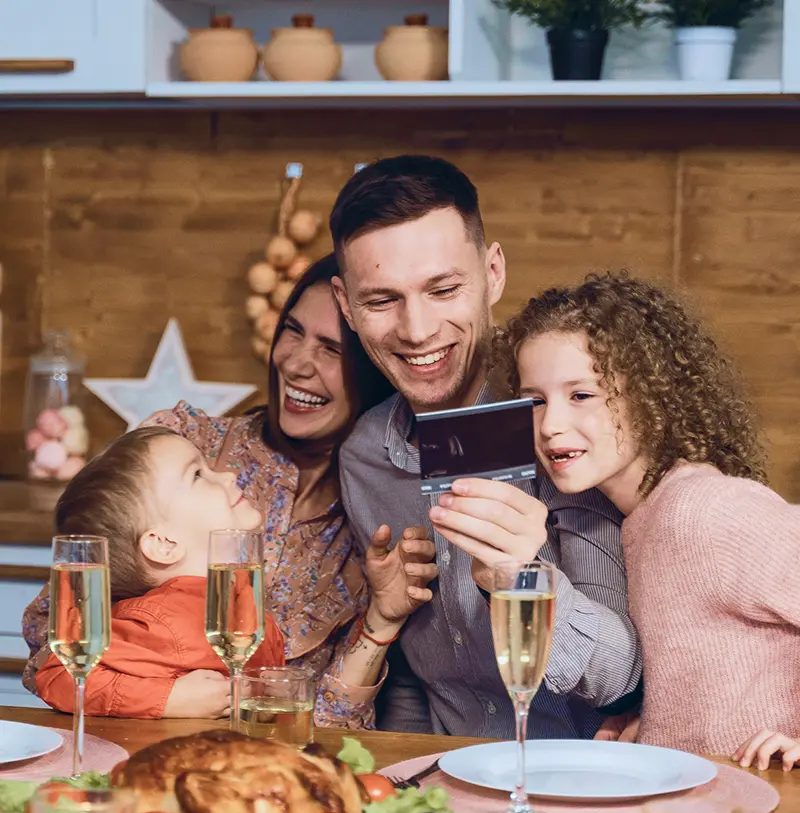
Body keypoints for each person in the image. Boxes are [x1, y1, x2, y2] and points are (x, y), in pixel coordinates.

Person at [21, 253, 437, 728]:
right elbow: (50, 647)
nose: (297, 362)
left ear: (376, 371)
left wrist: (381, 620)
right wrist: (165, 696)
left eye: (332, 349)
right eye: (293, 331)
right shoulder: (182, 442)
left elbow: (327, 724)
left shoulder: (377, 515)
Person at [329, 154, 642, 738]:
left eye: (443, 289)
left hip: (579, 789)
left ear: (493, 272)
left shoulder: (569, 430)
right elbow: (415, 681)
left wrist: (522, 577)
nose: (417, 329)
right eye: (380, 301)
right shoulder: (365, 456)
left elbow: (626, 675)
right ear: (346, 306)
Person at [494, 271, 800, 759]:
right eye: (535, 401)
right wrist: (657, 714)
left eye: (581, 395)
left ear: (650, 395)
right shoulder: (640, 520)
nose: (550, 425)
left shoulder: (703, 511)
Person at [36, 426, 286, 719]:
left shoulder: (237, 601)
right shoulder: (162, 621)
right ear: (164, 544)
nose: (229, 474)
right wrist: (170, 699)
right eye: (197, 475)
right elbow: (59, 675)